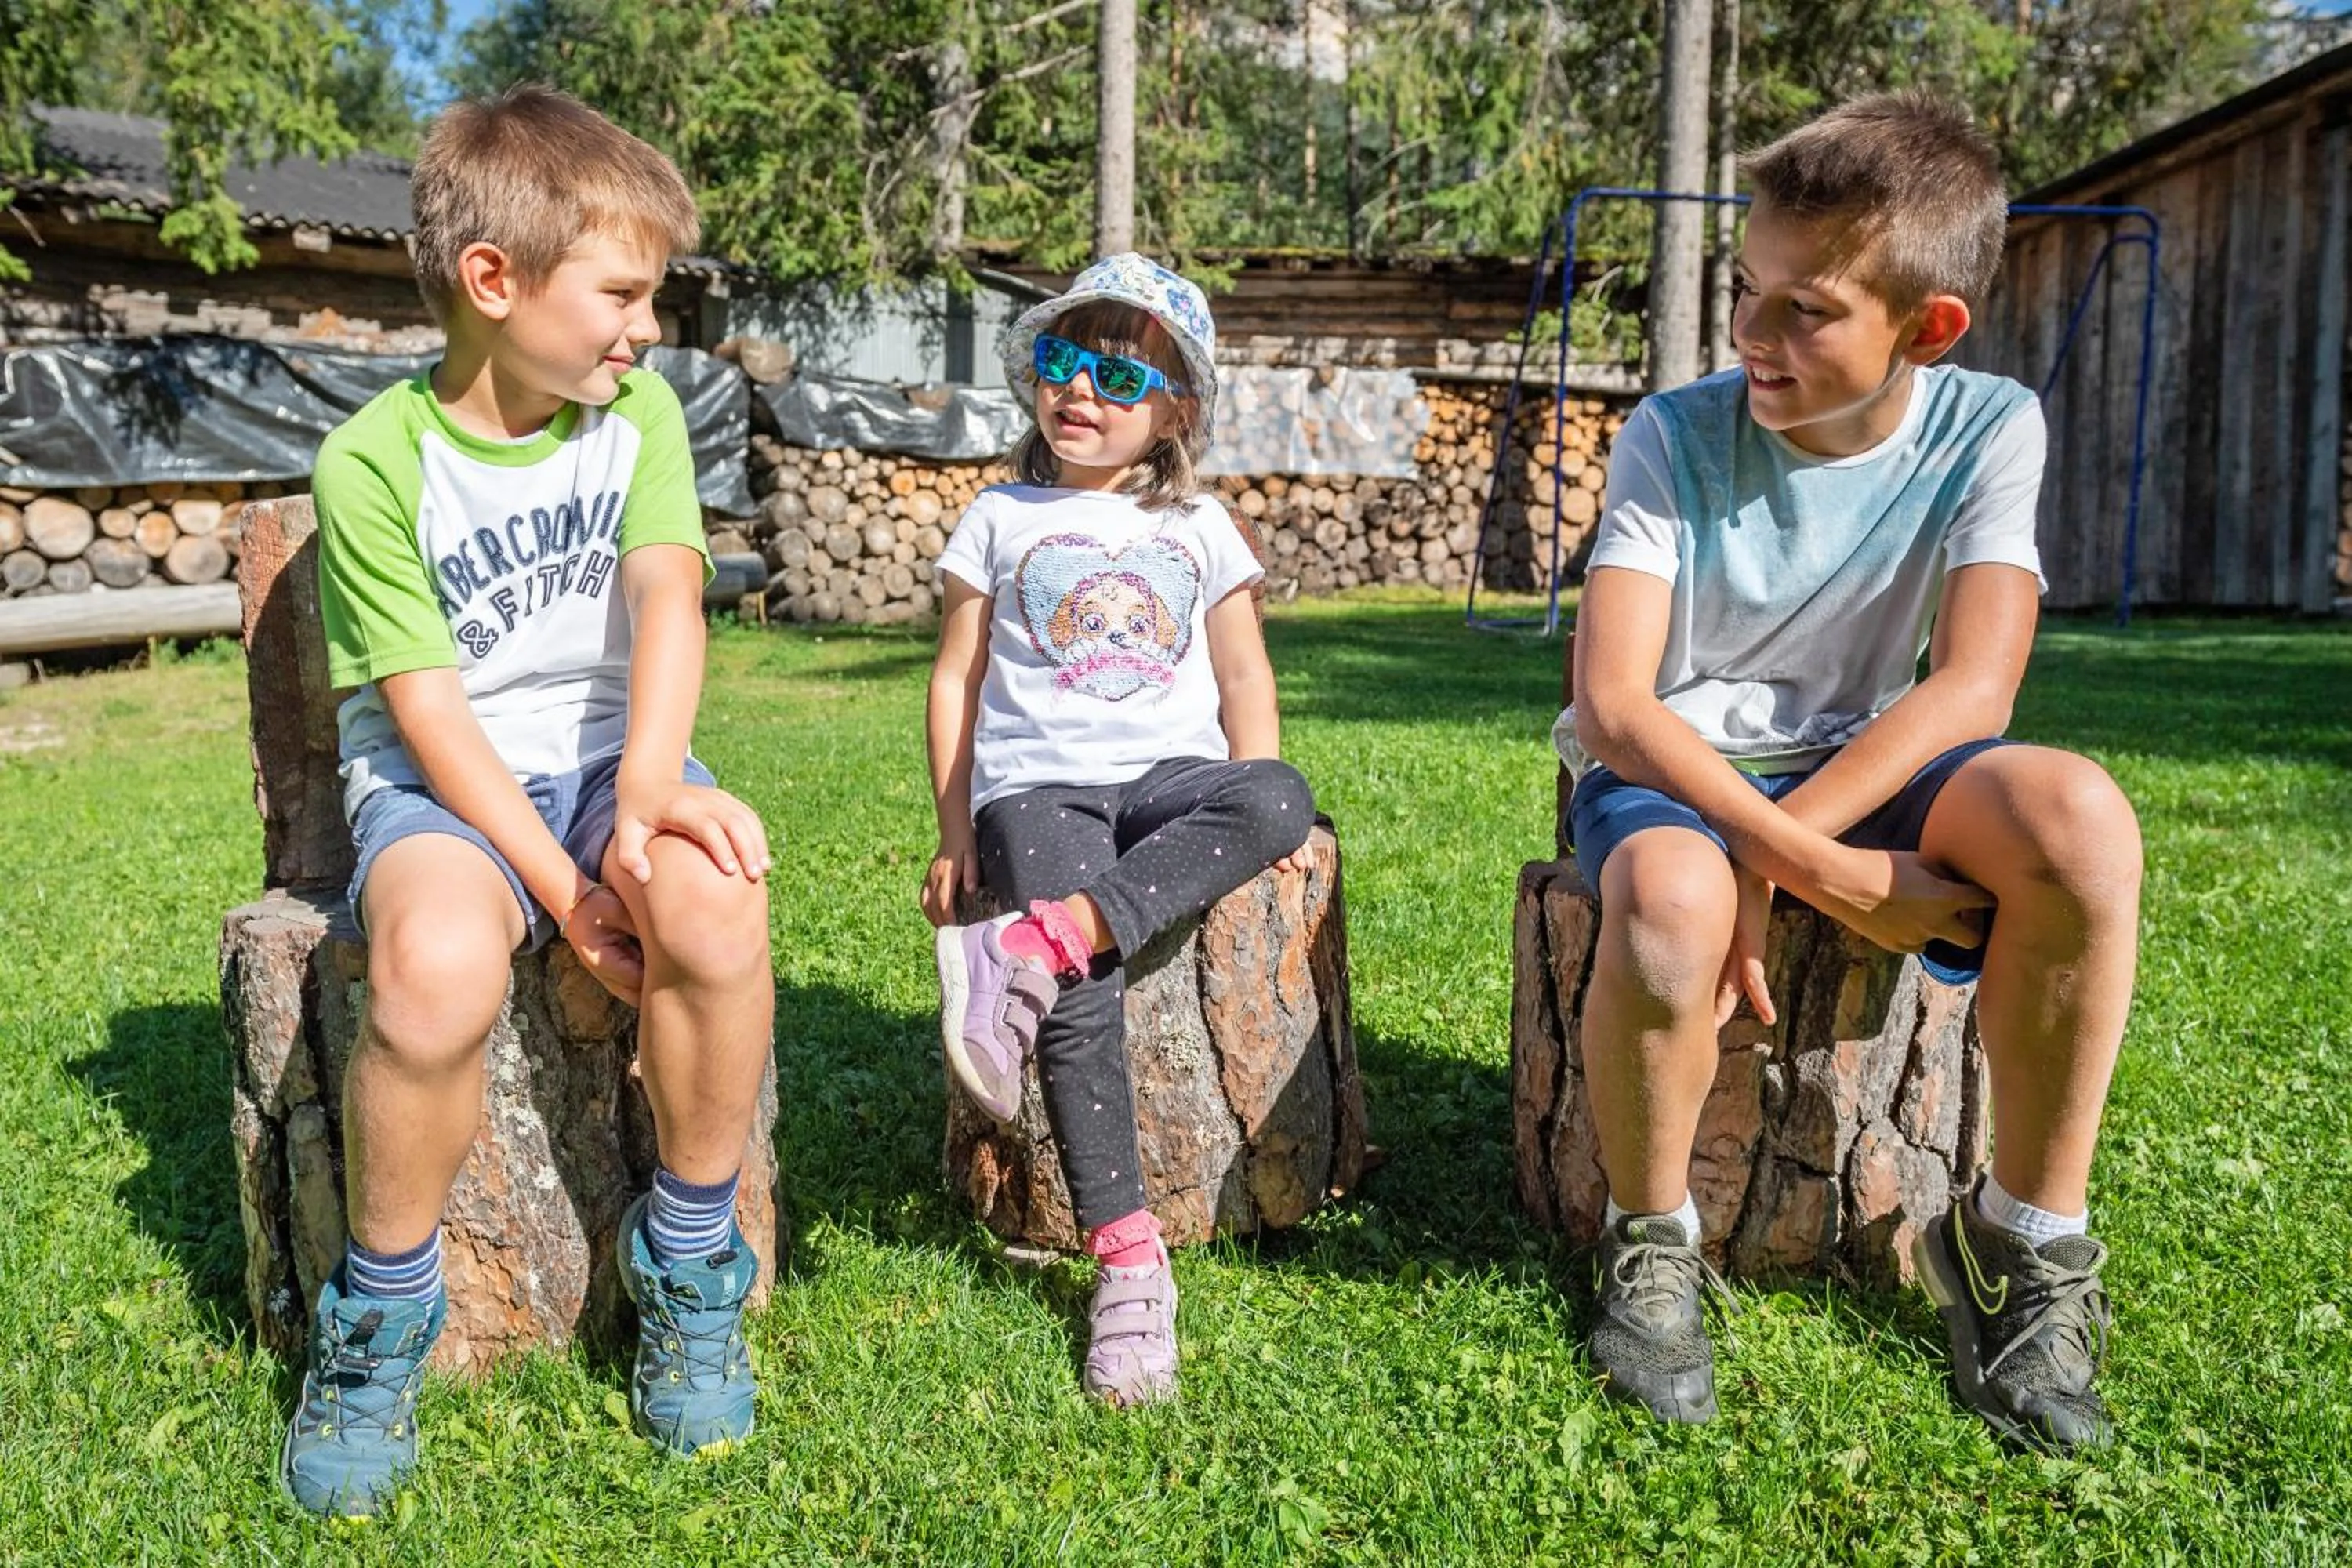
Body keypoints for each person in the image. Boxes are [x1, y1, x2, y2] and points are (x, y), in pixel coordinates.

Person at [1559, 92, 2140, 1450]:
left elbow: (1976, 686)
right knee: (1669, 907)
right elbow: (1616, 703)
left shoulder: (1988, 426)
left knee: (2077, 818)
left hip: (1876, 757)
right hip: (1681, 766)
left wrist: (1786, 853)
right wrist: (1812, 868)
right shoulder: (1673, 434)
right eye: (1745, 292)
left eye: (1803, 310)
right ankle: (1651, 1240)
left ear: (1926, 328)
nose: (1753, 338)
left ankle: (2019, 1242)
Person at [281, 85, 776, 1515]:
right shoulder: (376, 460)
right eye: (622, 292)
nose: (648, 327)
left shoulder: (641, 422)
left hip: (614, 758)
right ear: (495, 283)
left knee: (715, 894)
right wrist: (563, 894)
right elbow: (428, 712)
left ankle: (687, 1257)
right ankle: (376, 1322)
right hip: (446, 786)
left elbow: (671, 606)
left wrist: (639, 808)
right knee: (433, 968)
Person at [922, 253, 1315, 1406]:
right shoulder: (999, 514)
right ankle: (1129, 1263)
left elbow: (1244, 670)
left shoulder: (1198, 522)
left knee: (1282, 795)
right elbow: (955, 679)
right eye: (1059, 363)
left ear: (1174, 410)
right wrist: (955, 831)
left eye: (1114, 375)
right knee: (1084, 1002)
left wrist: (1247, 791)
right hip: (1037, 791)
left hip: (1170, 780)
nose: (1078, 392)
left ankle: (1038, 945)